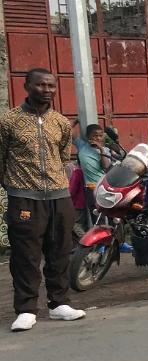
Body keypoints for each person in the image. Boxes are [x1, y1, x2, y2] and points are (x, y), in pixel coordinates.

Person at [0, 68, 86, 332]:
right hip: (24, 198)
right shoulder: (8, 121)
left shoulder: (60, 122)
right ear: (27, 86)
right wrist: (13, 187)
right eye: (41, 85)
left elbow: (64, 158)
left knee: (59, 250)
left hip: (59, 197)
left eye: (51, 85)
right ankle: (26, 309)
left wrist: (59, 184)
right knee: (26, 255)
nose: (47, 90)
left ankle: (59, 303)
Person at [76, 123, 112, 228]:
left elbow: (106, 166)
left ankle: (115, 240)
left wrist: (100, 149)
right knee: (96, 216)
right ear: (88, 137)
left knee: (110, 215)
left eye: (100, 136)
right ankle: (100, 240)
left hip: (104, 187)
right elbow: (69, 130)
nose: (98, 138)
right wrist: (77, 120)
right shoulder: (82, 146)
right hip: (90, 188)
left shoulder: (105, 150)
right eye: (95, 135)